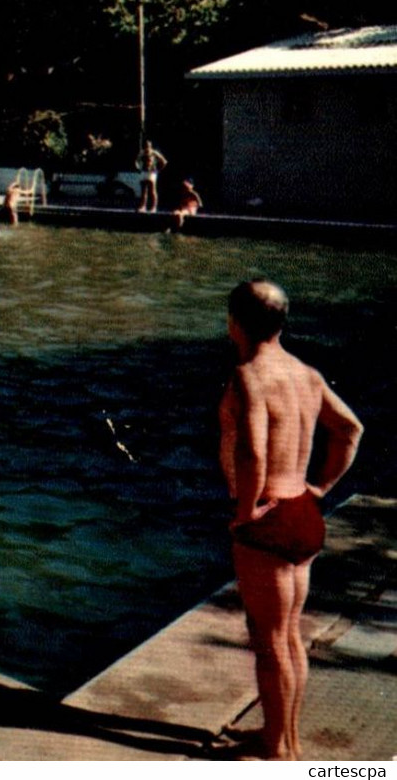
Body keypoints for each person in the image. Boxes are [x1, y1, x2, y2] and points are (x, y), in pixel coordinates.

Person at [218, 279, 363, 761]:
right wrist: (321, 488)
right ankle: (285, 739)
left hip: (269, 519)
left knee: (268, 643)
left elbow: (253, 451)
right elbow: (350, 430)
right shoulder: (306, 373)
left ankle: (278, 754)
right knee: (289, 636)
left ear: (234, 323)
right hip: (302, 509)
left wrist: (244, 514)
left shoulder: (249, 375)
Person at [136, 140, 168, 213]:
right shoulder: (142, 153)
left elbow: (164, 161)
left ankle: (154, 207)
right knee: (144, 191)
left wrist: (158, 169)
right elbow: (136, 160)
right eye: (146, 145)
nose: (147, 147)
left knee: (152, 190)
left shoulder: (154, 153)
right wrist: (138, 168)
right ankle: (142, 206)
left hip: (152, 172)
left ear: (150, 146)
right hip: (144, 172)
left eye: (148, 145)